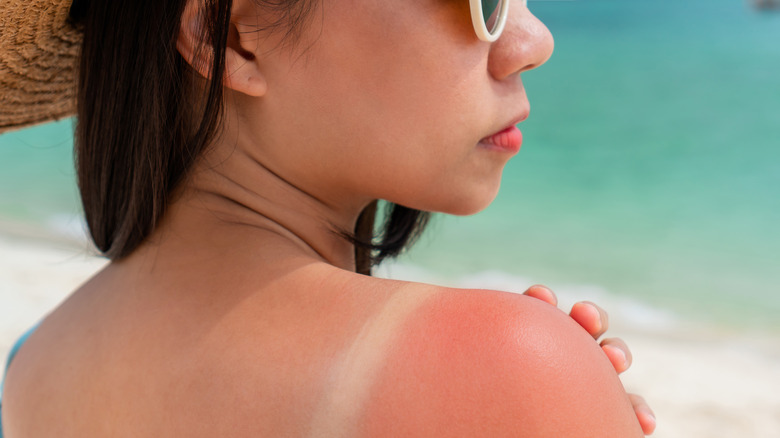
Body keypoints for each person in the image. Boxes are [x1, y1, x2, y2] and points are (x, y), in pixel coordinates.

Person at [0, 0, 656, 436]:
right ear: (231, 36)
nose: (533, 41)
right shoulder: (513, 361)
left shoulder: (30, 368)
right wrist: (549, 387)